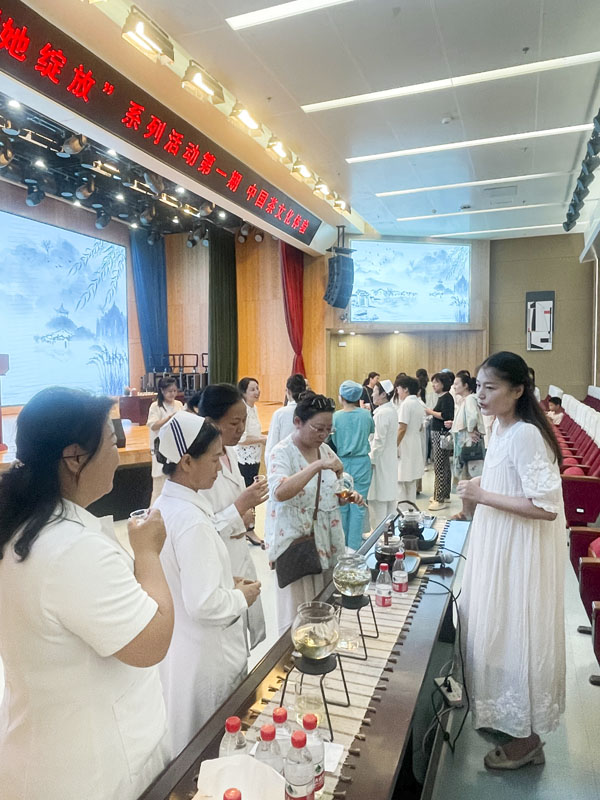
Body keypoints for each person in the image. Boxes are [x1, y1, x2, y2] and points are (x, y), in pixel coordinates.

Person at [0, 387, 174, 800]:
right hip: (94, 767)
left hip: (49, 743)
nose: (117, 454)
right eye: (112, 443)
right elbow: (152, 641)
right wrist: (148, 553)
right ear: (75, 457)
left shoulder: (24, 526)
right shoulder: (72, 549)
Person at [457, 351, 565, 770]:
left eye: (491, 387)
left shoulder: (525, 434)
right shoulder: (500, 428)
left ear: (518, 390)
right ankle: (508, 715)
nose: (481, 395)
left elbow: (546, 506)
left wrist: (483, 495)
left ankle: (528, 739)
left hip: (518, 550)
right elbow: (509, 480)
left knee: (516, 632)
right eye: (478, 386)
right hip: (498, 541)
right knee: (495, 628)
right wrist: (479, 486)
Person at [154, 411, 261, 757]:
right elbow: (203, 604)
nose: (219, 467)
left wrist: (225, 581)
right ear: (186, 462)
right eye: (214, 459)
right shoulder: (191, 521)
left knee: (190, 739)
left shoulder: (168, 505)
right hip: (209, 656)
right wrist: (241, 597)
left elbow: (184, 576)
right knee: (213, 748)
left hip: (185, 648)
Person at [265, 393, 362, 635]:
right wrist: (316, 466)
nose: (323, 435)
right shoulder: (282, 452)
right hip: (298, 545)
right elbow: (278, 491)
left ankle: (323, 644)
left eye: (329, 430)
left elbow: (336, 489)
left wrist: (347, 495)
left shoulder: (325, 450)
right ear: (297, 422)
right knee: (298, 615)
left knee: (325, 608)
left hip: (327, 542)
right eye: (318, 428)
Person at [197, 383, 268, 647]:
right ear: (210, 422)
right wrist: (240, 507)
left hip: (238, 551)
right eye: (234, 423)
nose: (240, 429)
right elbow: (202, 527)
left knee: (242, 632)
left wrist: (247, 511)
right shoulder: (199, 467)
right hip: (217, 559)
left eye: (243, 422)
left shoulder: (231, 453)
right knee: (227, 634)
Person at [331, 380, 374, 549]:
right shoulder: (365, 415)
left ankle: (342, 546)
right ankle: (355, 548)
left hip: (341, 463)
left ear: (341, 397)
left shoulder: (336, 417)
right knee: (359, 504)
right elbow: (371, 431)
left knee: (342, 504)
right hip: (362, 462)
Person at [368, 379, 399, 530]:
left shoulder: (382, 414)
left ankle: (378, 534)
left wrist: (371, 460)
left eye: (374, 391)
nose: (372, 395)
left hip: (380, 461)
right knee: (389, 499)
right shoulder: (391, 410)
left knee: (378, 499)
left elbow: (378, 441)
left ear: (383, 394)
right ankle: (389, 533)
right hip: (388, 459)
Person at [147, 377, 184, 503]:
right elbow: (153, 425)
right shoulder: (155, 406)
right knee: (159, 485)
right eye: (169, 391)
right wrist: (170, 418)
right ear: (162, 391)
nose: (172, 394)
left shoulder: (179, 404)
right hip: (160, 449)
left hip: (176, 448)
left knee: (175, 483)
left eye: (175, 391)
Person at [425, 372, 455, 511]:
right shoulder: (443, 397)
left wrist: (430, 412)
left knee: (440, 466)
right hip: (440, 433)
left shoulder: (447, 397)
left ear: (443, 384)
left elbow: (445, 415)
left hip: (441, 434)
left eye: (436, 382)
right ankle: (444, 494)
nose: (434, 385)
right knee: (444, 465)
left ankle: (439, 498)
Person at [448, 373, 485, 481]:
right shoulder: (466, 400)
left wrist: (470, 430)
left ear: (465, 385)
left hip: (467, 440)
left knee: (469, 471)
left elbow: (472, 416)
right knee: (465, 471)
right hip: (463, 438)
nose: (454, 386)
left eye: (456, 384)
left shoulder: (470, 399)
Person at [265, 373, 307, 467]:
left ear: (288, 391)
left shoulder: (280, 414)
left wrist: (271, 469)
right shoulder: (311, 412)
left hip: (284, 464)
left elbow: (271, 446)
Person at [395, 376, 426, 504]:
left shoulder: (406, 404)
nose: (397, 392)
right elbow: (420, 427)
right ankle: (411, 510)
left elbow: (402, 428)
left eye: (398, 389)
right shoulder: (418, 404)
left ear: (406, 389)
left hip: (405, 445)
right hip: (415, 444)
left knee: (401, 484)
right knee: (411, 484)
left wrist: (394, 446)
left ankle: (403, 512)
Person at [236, 377, 267, 488]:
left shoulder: (254, 408)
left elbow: (254, 433)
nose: (257, 392)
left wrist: (264, 437)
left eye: (257, 388)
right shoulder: (242, 410)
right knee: (247, 488)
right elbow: (241, 439)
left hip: (255, 456)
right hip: (244, 459)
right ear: (243, 393)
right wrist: (262, 439)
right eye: (252, 390)